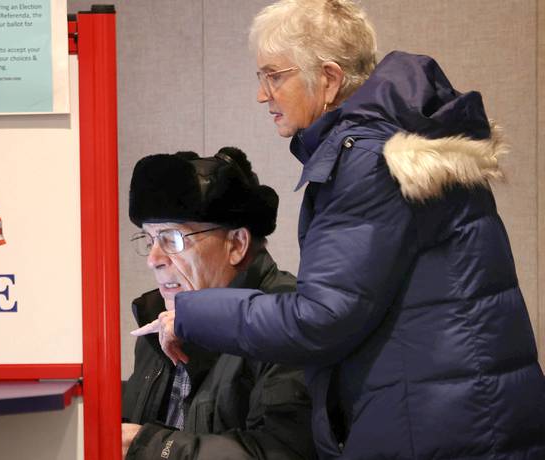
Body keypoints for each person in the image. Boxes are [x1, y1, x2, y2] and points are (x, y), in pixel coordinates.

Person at [136, 1, 545, 458]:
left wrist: (190, 314)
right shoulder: (387, 144)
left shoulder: (368, 161)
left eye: (274, 76)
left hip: (444, 429)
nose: (262, 95)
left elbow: (322, 318)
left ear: (328, 79)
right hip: (458, 412)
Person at [122, 147, 316, 459]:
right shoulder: (155, 324)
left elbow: (284, 452)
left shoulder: (287, 321)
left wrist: (147, 445)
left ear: (236, 244)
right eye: (149, 240)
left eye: (171, 239)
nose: (153, 260)